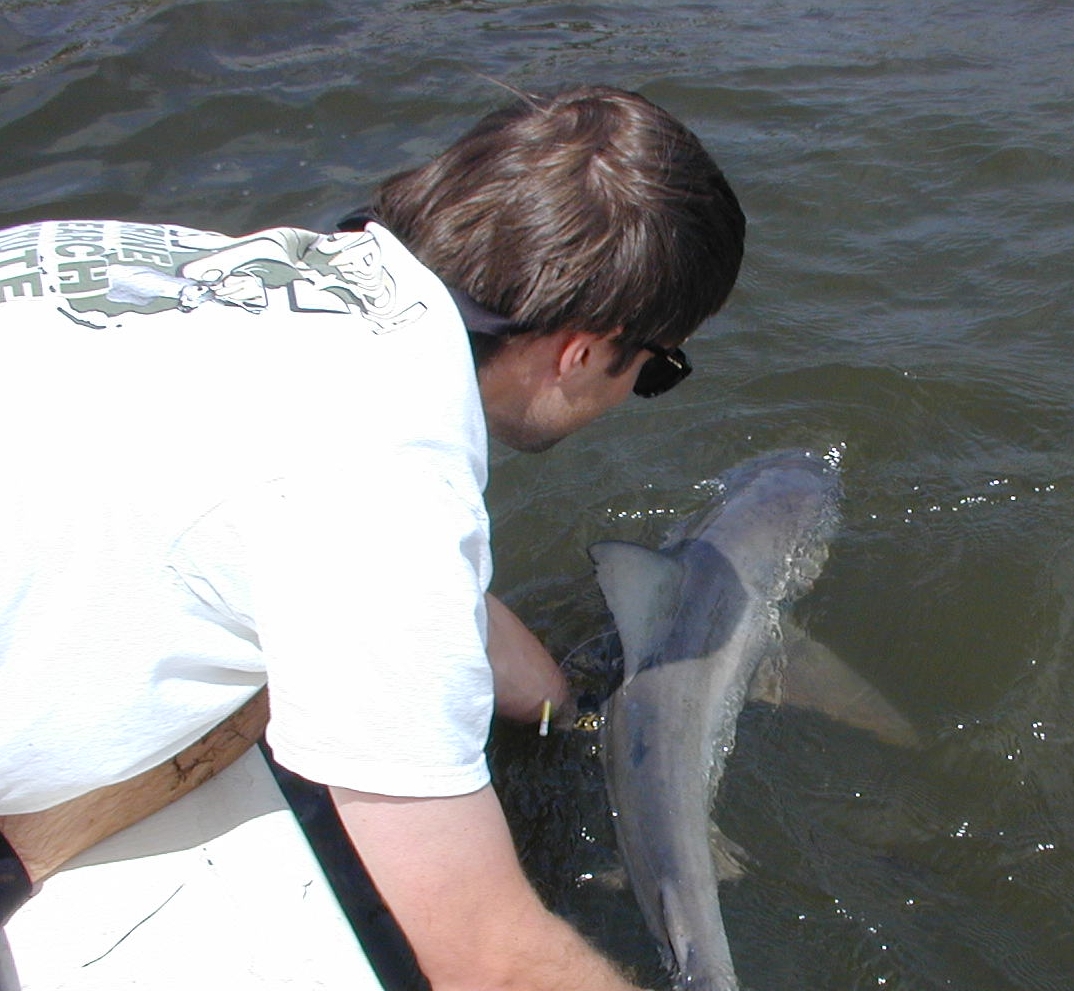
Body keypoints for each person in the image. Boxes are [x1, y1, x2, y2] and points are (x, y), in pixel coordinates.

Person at [0, 84, 745, 989]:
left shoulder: (225, 272)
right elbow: (490, 960)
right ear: (583, 352)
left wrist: (561, 705)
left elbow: (360, 547)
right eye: (655, 370)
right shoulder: (378, 484)